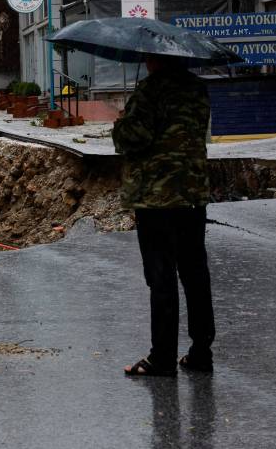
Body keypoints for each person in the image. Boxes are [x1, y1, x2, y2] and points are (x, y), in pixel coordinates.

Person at [112, 54, 214, 377]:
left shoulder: (150, 91)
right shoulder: (198, 89)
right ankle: (201, 352)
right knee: (195, 273)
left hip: (157, 198)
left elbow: (134, 137)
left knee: (162, 277)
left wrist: (120, 123)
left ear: (158, 60)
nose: (144, 62)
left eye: (148, 58)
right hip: (192, 194)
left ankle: (162, 358)